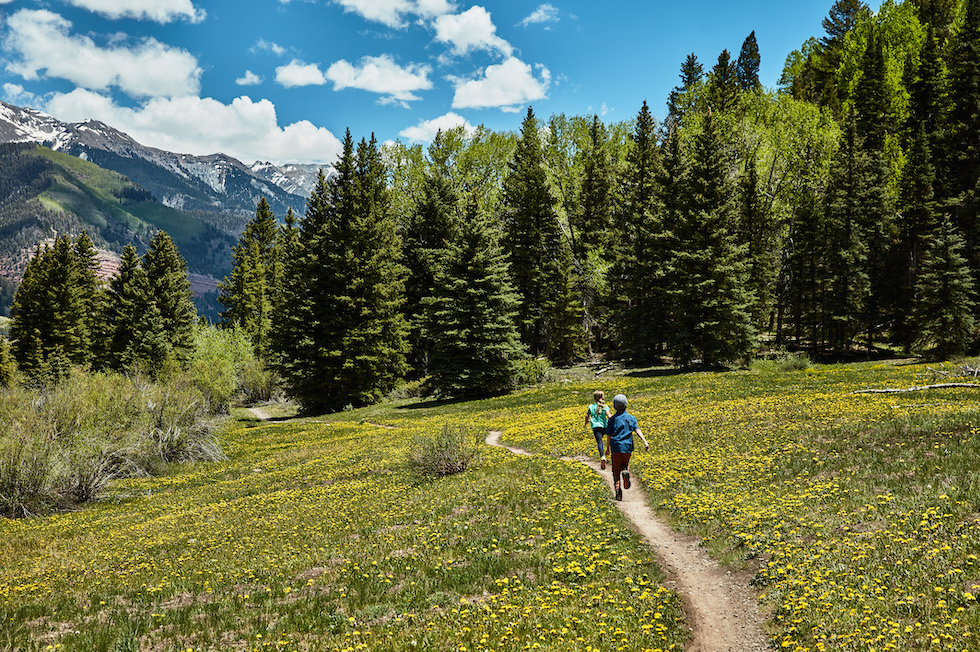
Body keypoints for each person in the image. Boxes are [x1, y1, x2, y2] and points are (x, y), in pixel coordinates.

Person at [605, 393, 649, 501]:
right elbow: (637, 430)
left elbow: (609, 435)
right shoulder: (631, 418)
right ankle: (626, 472)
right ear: (626, 405)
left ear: (614, 406)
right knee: (625, 463)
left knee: (615, 470)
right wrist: (645, 442)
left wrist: (607, 448)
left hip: (616, 447)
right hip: (627, 447)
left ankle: (617, 489)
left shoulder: (612, 420)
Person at [585, 390, 611, 469]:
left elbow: (587, 416)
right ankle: (609, 450)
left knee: (600, 442)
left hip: (596, 426)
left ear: (594, 398)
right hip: (604, 425)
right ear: (602, 397)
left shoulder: (591, 406)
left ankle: (602, 456)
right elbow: (609, 416)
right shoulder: (605, 407)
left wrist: (586, 422)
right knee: (609, 438)